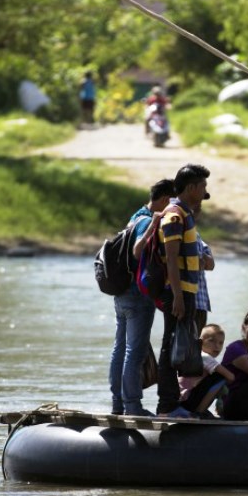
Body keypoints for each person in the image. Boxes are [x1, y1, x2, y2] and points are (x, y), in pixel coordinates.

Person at [108, 178, 174, 417]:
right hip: (137, 294)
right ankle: (132, 406)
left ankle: (118, 404)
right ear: (166, 199)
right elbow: (138, 249)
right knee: (134, 352)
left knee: (121, 349)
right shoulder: (147, 220)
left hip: (121, 292)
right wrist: (155, 224)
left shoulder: (136, 215)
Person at [156, 164, 211, 418]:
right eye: (202, 186)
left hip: (186, 291)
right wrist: (177, 295)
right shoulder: (175, 215)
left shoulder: (185, 214)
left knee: (178, 346)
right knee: (170, 347)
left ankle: (173, 402)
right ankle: (166, 405)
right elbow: (171, 258)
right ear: (191, 188)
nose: (204, 191)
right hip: (177, 292)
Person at [177, 324, 235, 418]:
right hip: (187, 402)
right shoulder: (205, 357)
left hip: (182, 401)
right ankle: (199, 412)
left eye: (221, 343)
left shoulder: (196, 355)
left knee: (216, 376)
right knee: (220, 378)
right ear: (201, 342)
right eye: (212, 341)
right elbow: (231, 377)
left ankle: (201, 410)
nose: (217, 346)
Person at [193, 205, 214, 332]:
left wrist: (201, 258)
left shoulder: (196, 235)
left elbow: (210, 264)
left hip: (201, 303)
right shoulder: (179, 232)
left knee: (196, 343)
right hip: (187, 302)